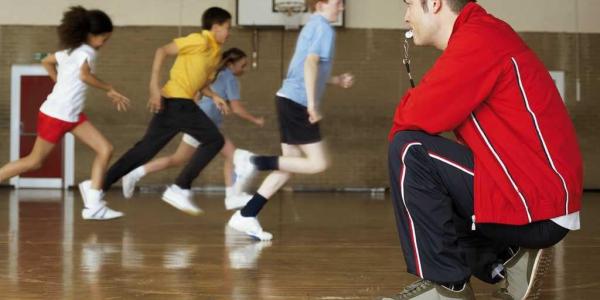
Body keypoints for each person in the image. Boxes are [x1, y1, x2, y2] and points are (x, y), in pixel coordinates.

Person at [383, 1, 583, 299]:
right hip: (538, 198)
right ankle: (508, 259)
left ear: (435, 3)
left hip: (536, 205)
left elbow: (413, 116)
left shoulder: (478, 39)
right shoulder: (483, 34)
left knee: (409, 150)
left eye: (410, 4)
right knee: (435, 172)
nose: (406, 16)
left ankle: (447, 287)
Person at [227, 0, 354, 241]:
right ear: (320, 4)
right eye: (337, 3)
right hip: (297, 103)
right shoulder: (324, 29)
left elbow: (306, 69)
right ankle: (253, 161)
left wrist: (335, 80)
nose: (342, 8)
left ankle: (246, 214)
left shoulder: (313, 25)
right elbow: (309, 63)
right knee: (319, 163)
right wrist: (312, 105)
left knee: (289, 164)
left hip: (287, 98)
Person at [0, 6, 130, 220]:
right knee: (34, 161)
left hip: (72, 115)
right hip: (57, 115)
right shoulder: (87, 52)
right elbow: (85, 76)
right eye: (104, 39)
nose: (104, 44)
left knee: (105, 149)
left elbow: (46, 61)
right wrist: (109, 89)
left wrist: (58, 81)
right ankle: (92, 194)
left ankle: (94, 202)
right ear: (91, 35)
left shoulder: (69, 51)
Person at [101, 7, 233, 216]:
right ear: (215, 27)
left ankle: (97, 186)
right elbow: (161, 51)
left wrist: (214, 96)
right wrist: (154, 87)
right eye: (227, 28)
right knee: (214, 140)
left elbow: (199, 83)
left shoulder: (214, 54)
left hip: (175, 104)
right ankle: (180, 187)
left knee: (145, 150)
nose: (229, 33)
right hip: (178, 102)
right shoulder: (199, 40)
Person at [120, 48, 264, 210]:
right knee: (232, 155)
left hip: (202, 122)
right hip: (203, 125)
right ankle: (231, 196)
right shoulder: (229, 78)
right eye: (242, 65)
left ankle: (135, 173)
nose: (244, 69)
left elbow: (197, 94)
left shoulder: (215, 75)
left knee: (178, 159)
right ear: (231, 65)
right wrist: (256, 120)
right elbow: (237, 108)